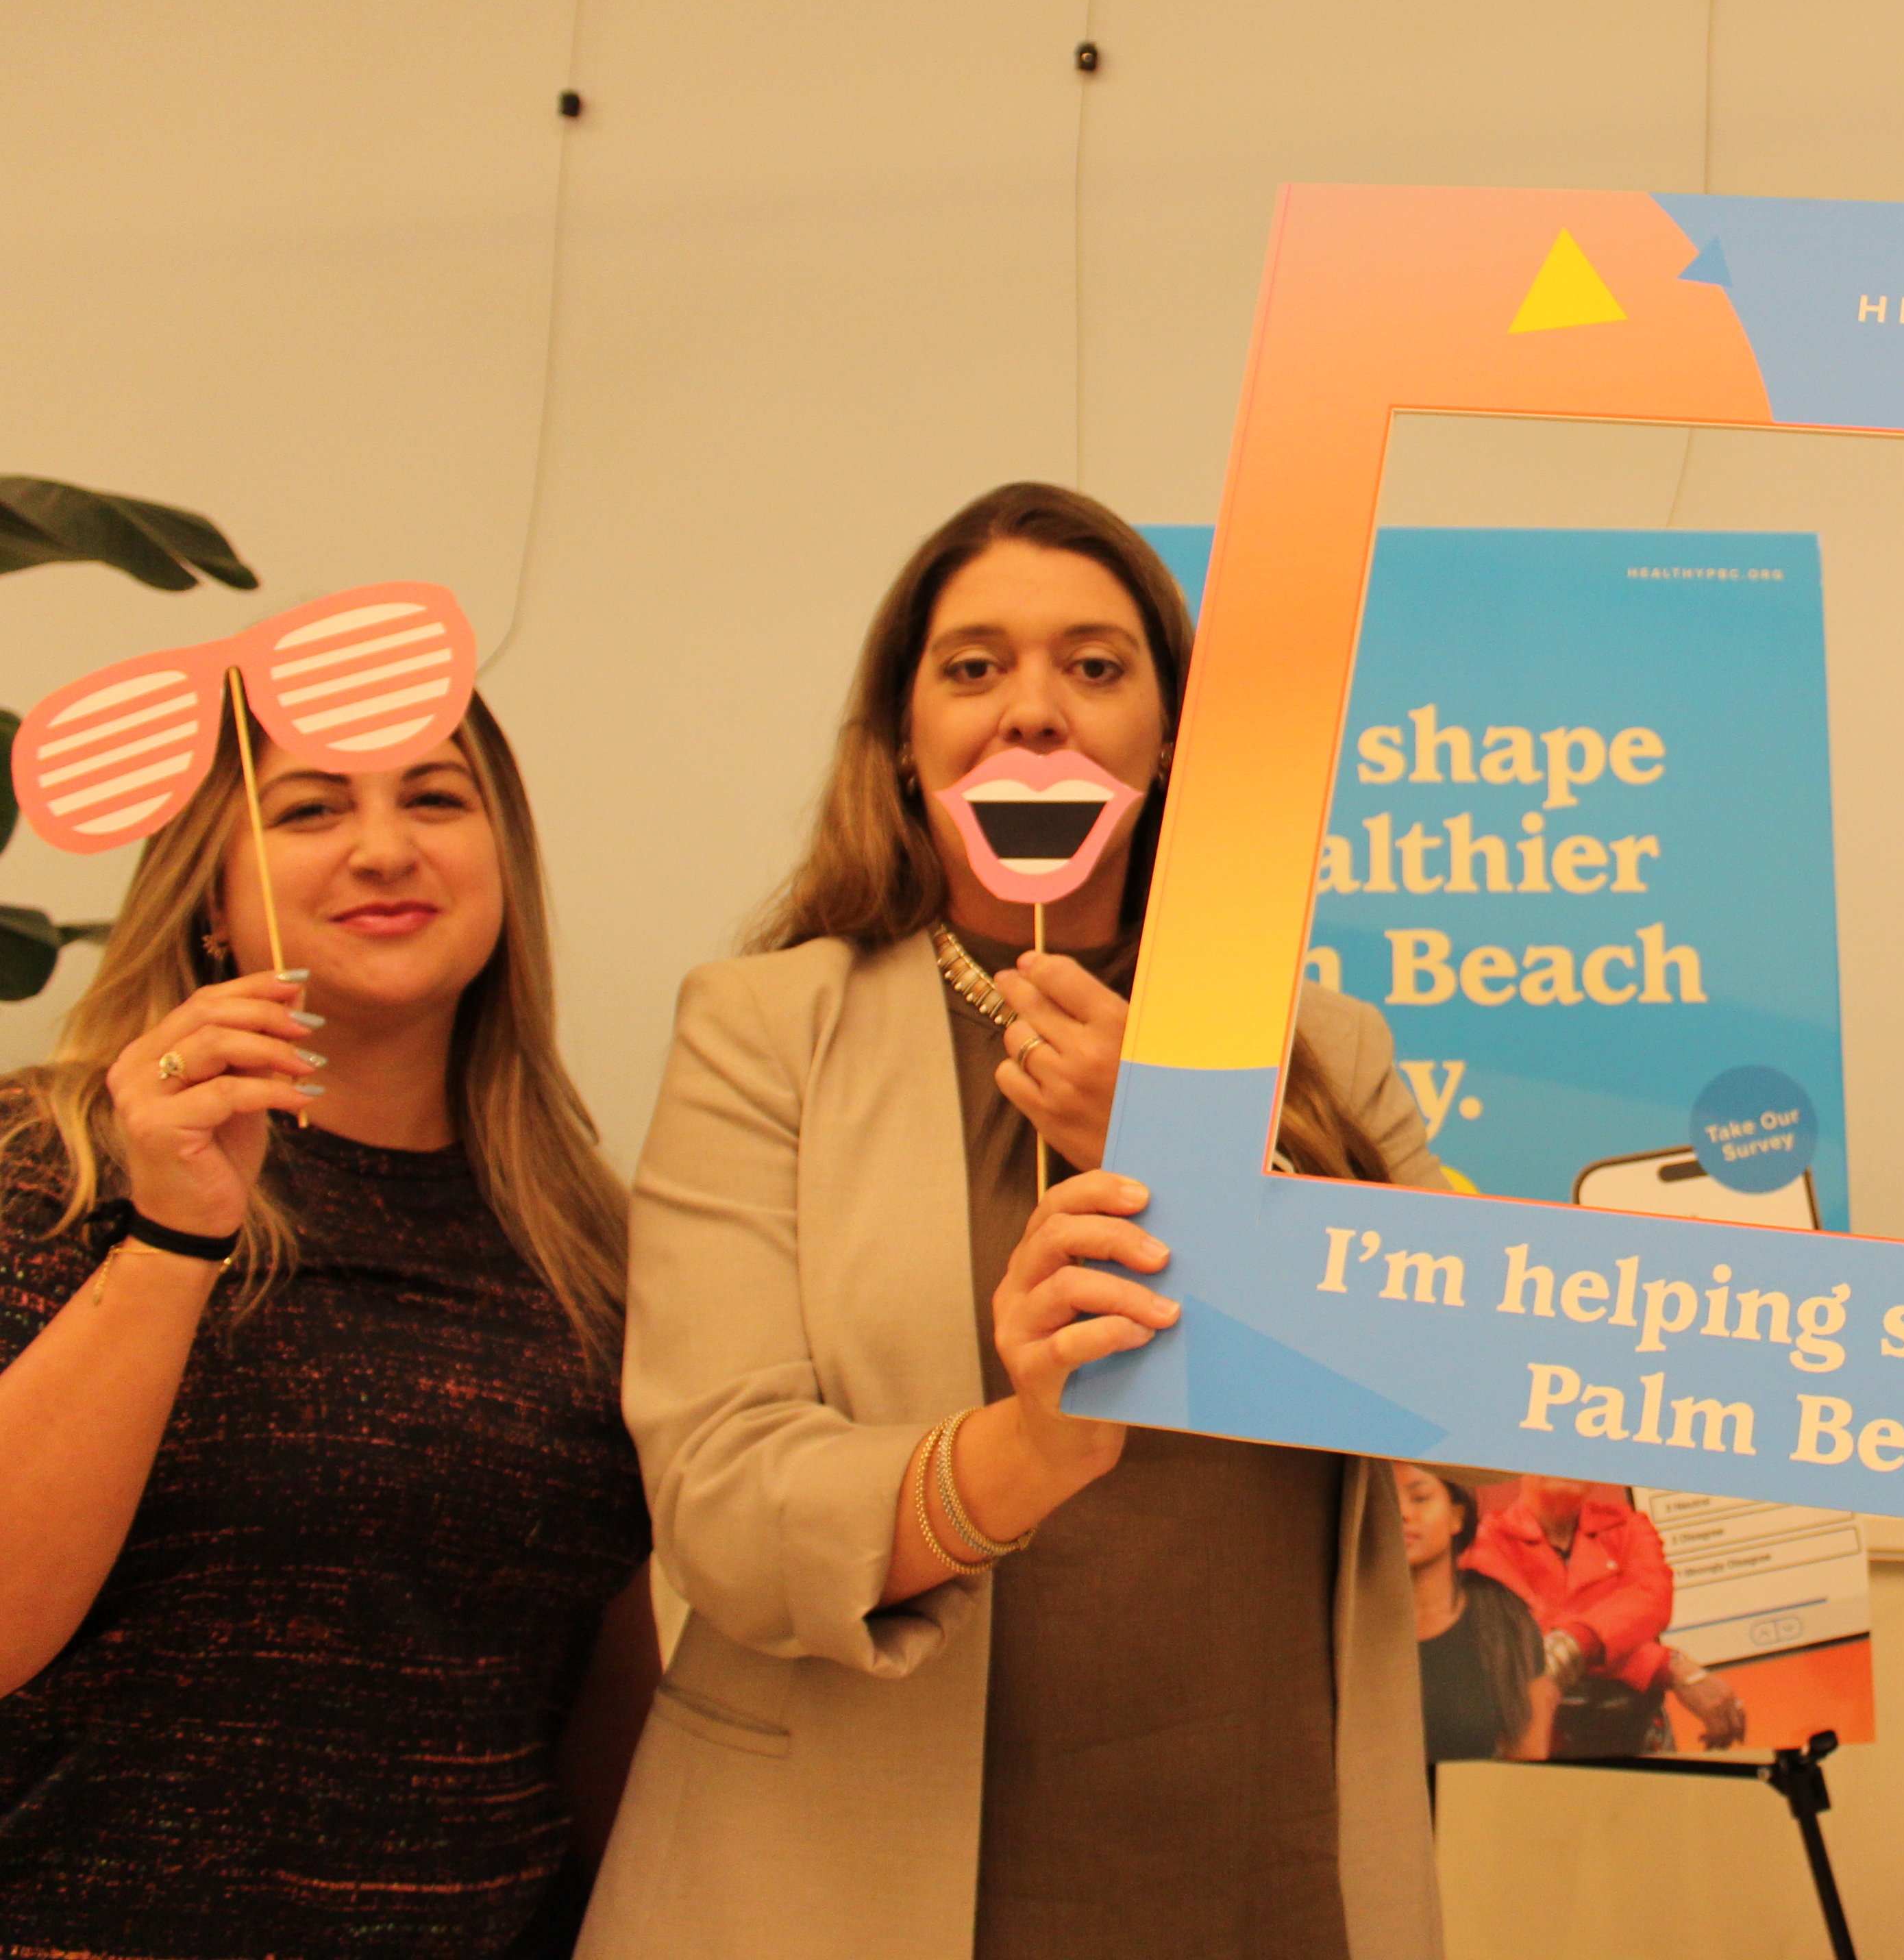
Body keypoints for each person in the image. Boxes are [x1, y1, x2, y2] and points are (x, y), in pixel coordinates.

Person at [582, 483, 1446, 1960]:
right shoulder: (759, 1030)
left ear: (1167, 737)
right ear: (904, 741)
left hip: (1259, 1847)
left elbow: (1466, 1381)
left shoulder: (1320, 1047)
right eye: (973, 667)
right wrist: (1020, 1457)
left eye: (1096, 667)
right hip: (846, 1875)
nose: (1032, 711)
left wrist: (1183, 1157)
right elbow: (721, 1505)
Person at [0, 698, 656, 1958]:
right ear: (209, 893)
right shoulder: (57, 1165)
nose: (383, 847)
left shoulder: (590, 1239)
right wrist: (176, 1234)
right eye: (310, 807)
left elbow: (591, 1675)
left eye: (435, 797)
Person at [1462, 1476, 1748, 1754]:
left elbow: (1651, 1600)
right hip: (1545, 1738)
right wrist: (1667, 1665)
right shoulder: (1486, 1540)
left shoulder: (1629, 1526)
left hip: (1641, 1731)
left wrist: (1574, 1644)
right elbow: (1533, 1633)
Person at [1398, 1465, 1553, 1765]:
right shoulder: (1349, 1624)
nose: (1403, 1513)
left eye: (1420, 1498)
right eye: (1388, 1503)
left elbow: (1528, 1753)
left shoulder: (1503, 1618)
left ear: (1457, 1516)